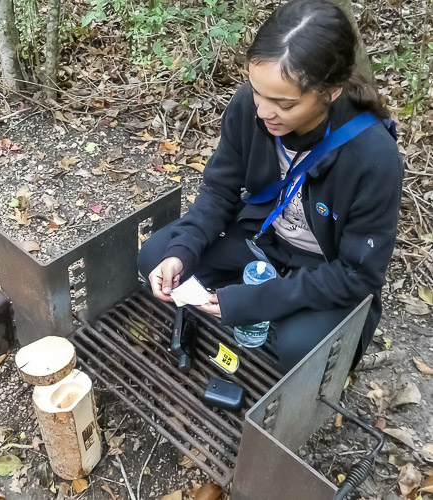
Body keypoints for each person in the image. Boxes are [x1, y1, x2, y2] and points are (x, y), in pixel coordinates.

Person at [138, 0, 403, 373]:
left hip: (322, 267)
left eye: (283, 103)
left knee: (301, 350)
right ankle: (248, 302)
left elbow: (358, 274)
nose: (263, 112)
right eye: (256, 92)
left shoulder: (372, 156)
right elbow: (219, 190)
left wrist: (255, 301)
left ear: (331, 91)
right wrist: (182, 249)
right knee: (158, 257)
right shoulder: (250, 105)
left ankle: (283, 321)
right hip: (262, 239)